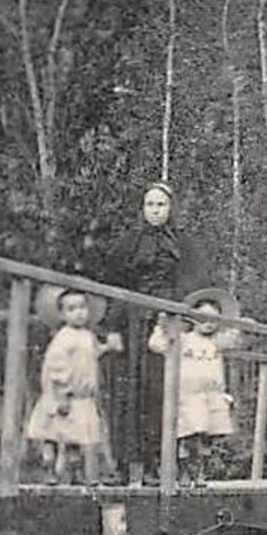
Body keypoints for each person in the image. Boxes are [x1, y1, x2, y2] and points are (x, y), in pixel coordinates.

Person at [105, 182, 187, 485]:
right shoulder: (129, 242)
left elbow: (188, 286)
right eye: (150, 204)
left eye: (161, 205)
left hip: (163, 320)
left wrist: (171, 315)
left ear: (170, 208)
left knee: (158, 390)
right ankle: (123, 466)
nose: (155, 210)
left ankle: (155, 466)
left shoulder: (180, 244)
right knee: (127, 392)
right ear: (143, 208)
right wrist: (112, 326)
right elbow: (114, 284)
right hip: (131, 321)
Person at [26, 287, 123, 485]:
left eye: (82, 307)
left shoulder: (87, 335)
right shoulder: (63, 337)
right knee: (54, 433)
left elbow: (92, 354)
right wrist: (62, 393)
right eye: (71, 309)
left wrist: (108, 347)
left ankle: (76, 474)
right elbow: (56, 366)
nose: (78, 313)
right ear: (62, 314)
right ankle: (49, 471)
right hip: (65, 394)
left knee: (77, 437)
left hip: (83, 396)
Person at [148, 288, 244, 487]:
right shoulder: (184, 339)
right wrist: (161, 327)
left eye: (213, 319)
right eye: (202, 317)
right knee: (190, 434)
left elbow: (236, 339)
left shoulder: (217, 342)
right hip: (190, 395)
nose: (208, 323)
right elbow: (157, 345)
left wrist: (239, 325)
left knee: (208, 436)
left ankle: (201, 473)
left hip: (212, 394)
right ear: (192, 318)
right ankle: (185, 472)